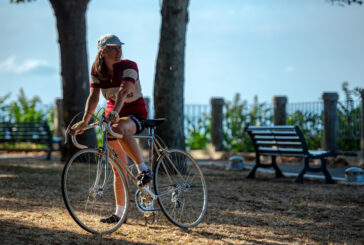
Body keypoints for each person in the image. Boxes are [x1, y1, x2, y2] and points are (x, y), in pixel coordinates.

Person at [70, 34, 151, 224]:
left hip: (134, 114)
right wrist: (84, 121)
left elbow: (123, 91)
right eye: (113, 48)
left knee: (119, 126)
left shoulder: (129, 66)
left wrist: (115, 111)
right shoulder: (96, 70)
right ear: (102, 51)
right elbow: (93, 98)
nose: (118, 51)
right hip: (113, 114)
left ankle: (144, 169)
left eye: (119, 47)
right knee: (117, 169)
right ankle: (119, 213)